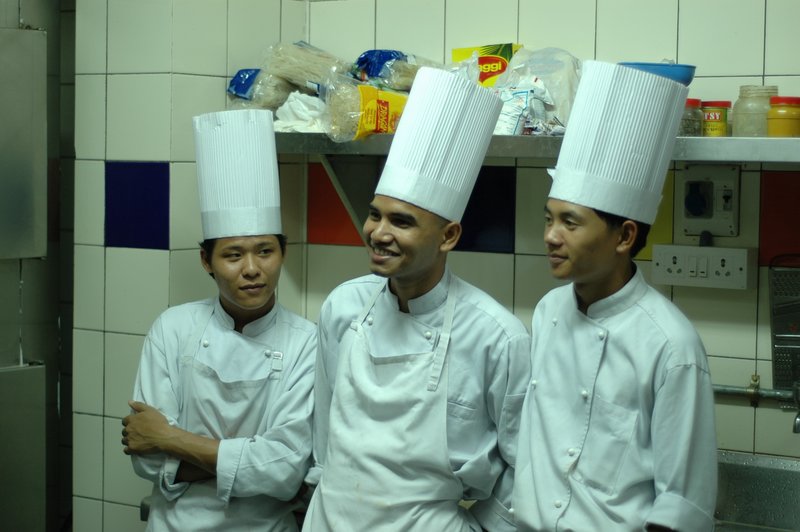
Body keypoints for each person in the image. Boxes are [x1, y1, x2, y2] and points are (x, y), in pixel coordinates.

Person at [303, 67, 531, 532]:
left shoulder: (496, 336)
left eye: (401, 222)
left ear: (448, 236)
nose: (378, 233)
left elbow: (522, 468)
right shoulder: (343, 307)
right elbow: (325, 442)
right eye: (375, 215)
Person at [513, 60, 718, 531]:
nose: (550, 236)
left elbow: (682, 504)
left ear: (624, 236)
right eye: (549, 218)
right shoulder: (548, 312)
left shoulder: (671, 346)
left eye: (570, 222)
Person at [121, 109, 316, 531]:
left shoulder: (308, 342)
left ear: (283, 254)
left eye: (265, 251)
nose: (252, 269)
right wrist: (252, 463)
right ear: (206, 261)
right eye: (233, 255)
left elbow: (286, 472)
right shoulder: (173, 329)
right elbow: (145, 457)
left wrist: (170, 438)